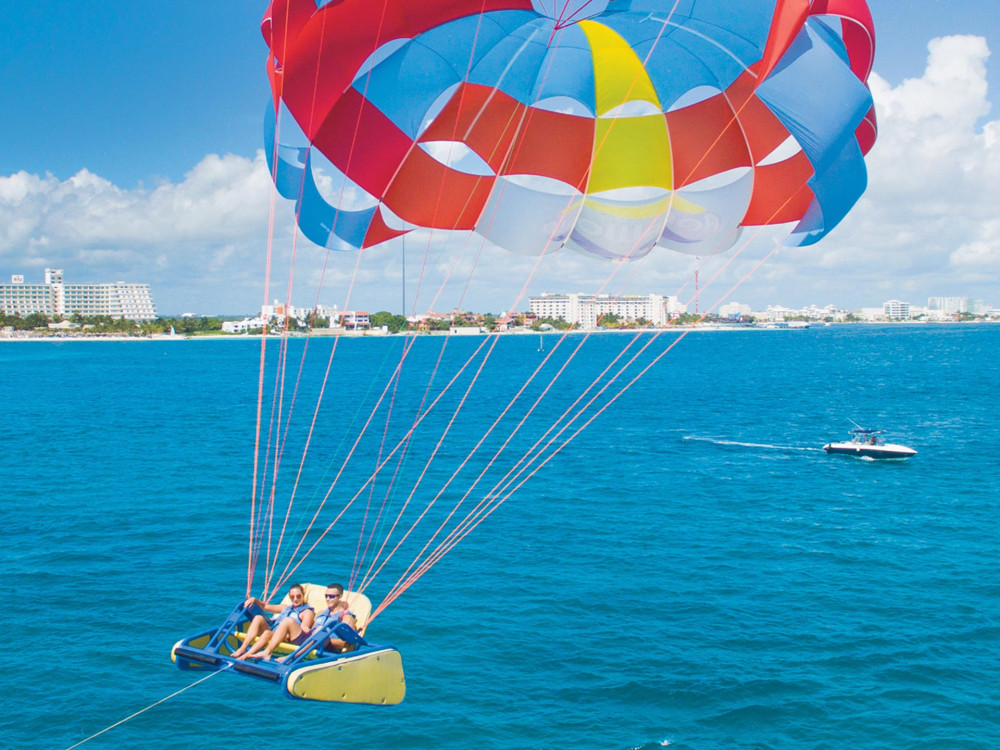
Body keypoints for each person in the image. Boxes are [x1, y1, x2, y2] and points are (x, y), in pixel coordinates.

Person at [231, 584, 315, 661]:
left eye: (298, 596)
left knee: (273, 629)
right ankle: (243, 647)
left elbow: (303, 631)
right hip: (274, 633)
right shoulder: (285, 608)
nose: (295, 599)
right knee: (258, 618)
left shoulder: (307, 612)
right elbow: (265, 606)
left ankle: (246, 656)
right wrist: (254, 600)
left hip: (288, 638)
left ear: (303, 595)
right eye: (292, 597)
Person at [311, 583, 358, 654]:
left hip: (328, 649)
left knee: (320, 629)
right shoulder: (321, 613)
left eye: (331, 596)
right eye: (326, 596)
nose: (327, 599)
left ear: (340, 597)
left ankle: (296, 655)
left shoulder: (346, 617)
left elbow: (345, 643)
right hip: (311, 644)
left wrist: (324, 639)